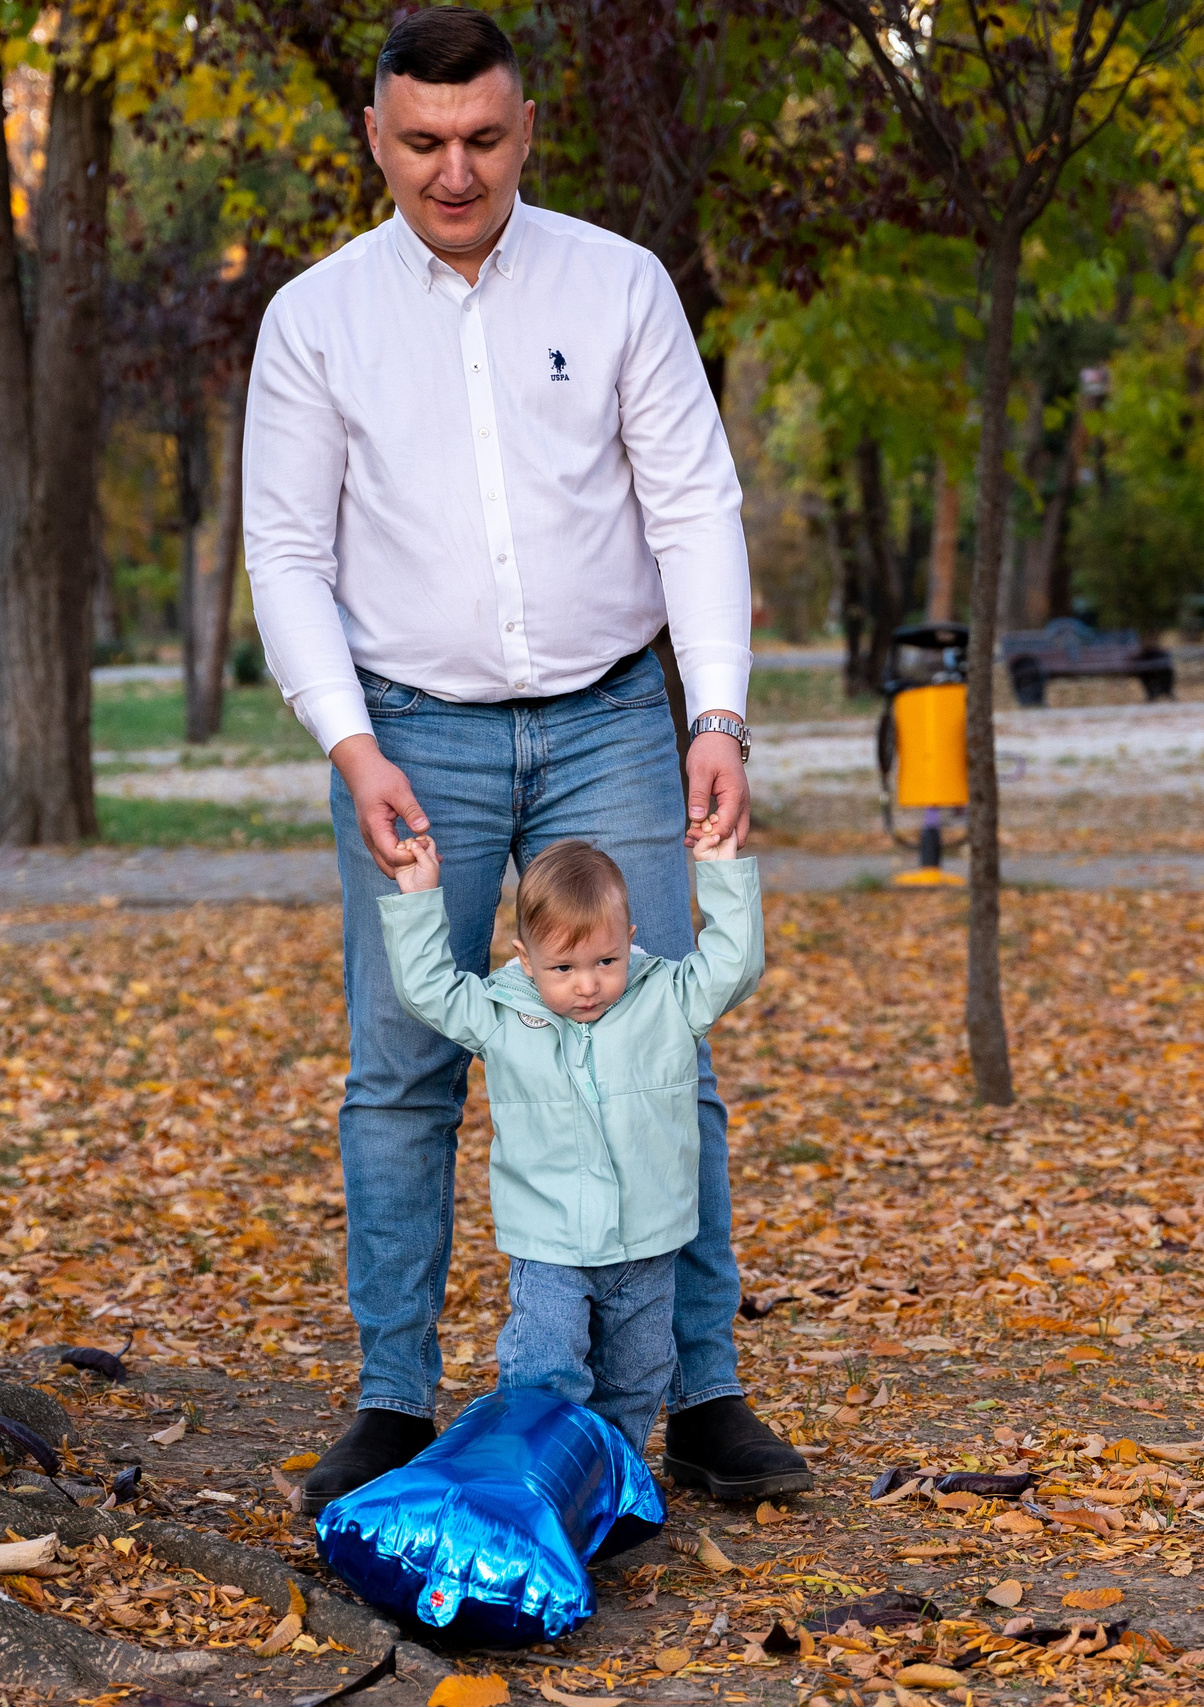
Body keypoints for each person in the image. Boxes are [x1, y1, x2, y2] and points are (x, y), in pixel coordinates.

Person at [242, 6, 811, 1508]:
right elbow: (286, 550)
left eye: (484, 138)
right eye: (423, 141)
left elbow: (695, 505)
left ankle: (700, 1386)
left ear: (527, 126)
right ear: (377, 134)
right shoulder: (317, 319)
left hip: (616, 716)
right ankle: (390, 1393)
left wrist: (718, 715)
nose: (454, 169)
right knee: (402, 1066)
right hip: (409, 728)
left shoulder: (617, 284)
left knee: (657, 1049)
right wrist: (348, 744)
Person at [379, 829, 759, 1449]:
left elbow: (734, 967)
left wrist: (721, 874)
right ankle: (535, 1474)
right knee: (544, 1369)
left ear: (630, 945)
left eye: (605, 962)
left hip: (649, 1239)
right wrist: (419, 899)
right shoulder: (499, 1014)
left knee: (637, 1377)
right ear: (526, 960)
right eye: (563, 968)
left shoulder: (668, 999)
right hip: (550, 1242)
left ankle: (609, 1484)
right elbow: (428, 990)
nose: (587, 985)